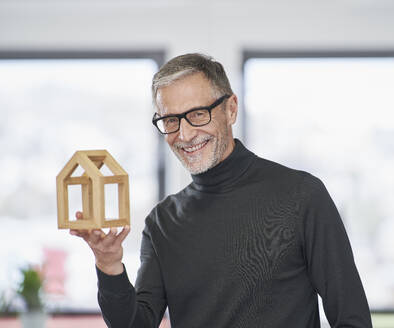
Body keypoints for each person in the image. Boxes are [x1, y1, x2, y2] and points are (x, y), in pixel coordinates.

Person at [69, 53, 372, 328]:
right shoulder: (162, 222)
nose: (185, 134)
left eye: (198, 114)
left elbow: (352, 319)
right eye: (171, 120)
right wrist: (109, 265)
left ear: (231, 109)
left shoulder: (302, 195)